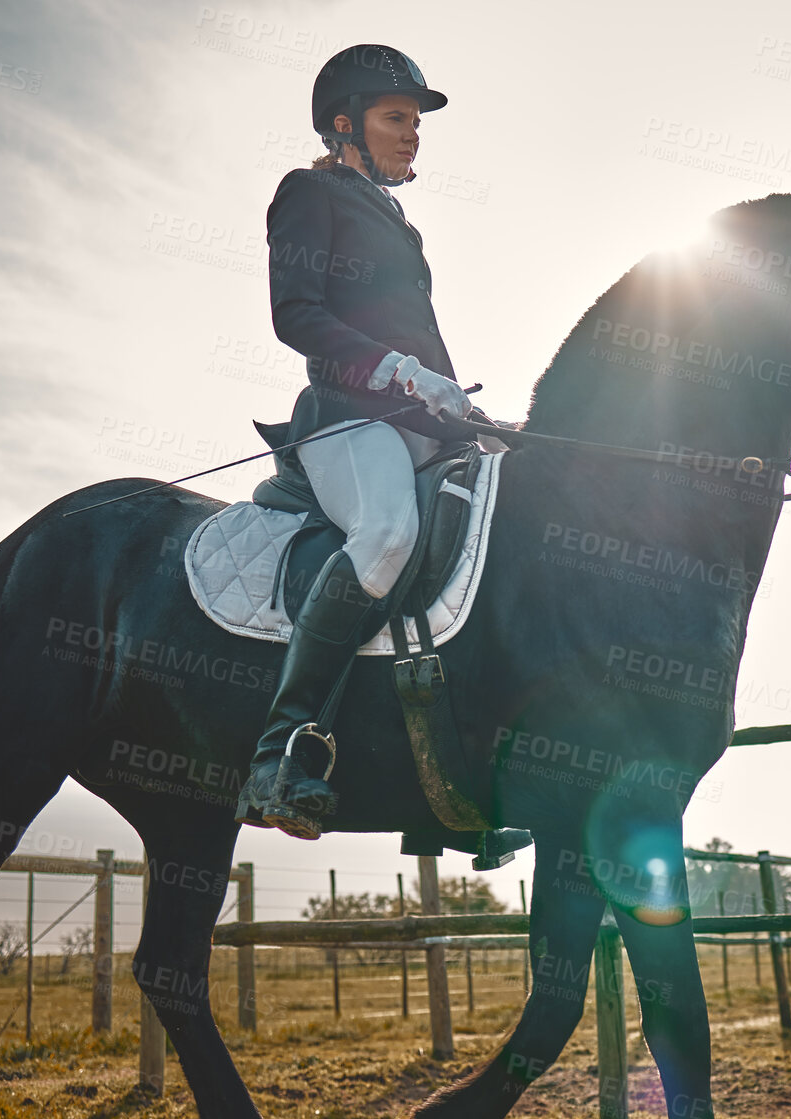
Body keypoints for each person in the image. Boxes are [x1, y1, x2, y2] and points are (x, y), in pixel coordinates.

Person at [235, 44, 528, 869]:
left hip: (423, 424)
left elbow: (417, 334)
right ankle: (277, 751)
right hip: (344, 419)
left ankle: (448, 785)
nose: (413, 136)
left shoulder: (403, 221)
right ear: (344, 123)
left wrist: (457, 407)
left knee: (495, 530)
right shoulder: (308, 192)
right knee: (389, 535)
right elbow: (295, 314)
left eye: (415, 123)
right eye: (397, 118)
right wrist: (393, 369)